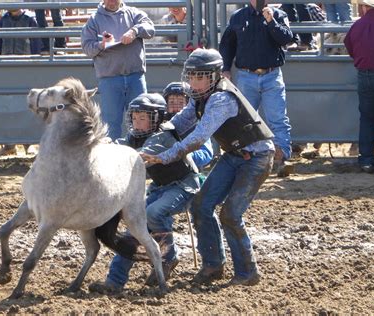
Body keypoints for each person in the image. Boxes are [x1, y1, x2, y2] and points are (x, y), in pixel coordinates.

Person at [141, 49, 274, 286]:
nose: (194, 82)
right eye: (191, 77)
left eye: (200, 77)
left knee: (230, 215)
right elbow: (181, 121)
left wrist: (165, 156)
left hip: (257, 157)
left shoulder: (222, 99)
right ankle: (213, 264)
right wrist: (158, 135)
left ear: (214, 76)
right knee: (201, 205)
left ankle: (247, 272)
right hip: (235, 155)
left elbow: (198, 137)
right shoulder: (200, 97)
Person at [89, 93, 213, 293]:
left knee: (155, 212)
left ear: (157, 119)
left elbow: (137, 156)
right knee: (132, 231)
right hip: (159, 187)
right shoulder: (134, 137)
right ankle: (115, 281)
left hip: (183, 185)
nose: (137, 123)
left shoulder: (161, 136)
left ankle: (168, 256)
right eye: (135, 118)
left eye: (143, 118)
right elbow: (121, 145)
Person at [219, 0, 293, 174]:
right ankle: (250, 157)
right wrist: (225, 68)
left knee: (277, 118)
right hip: (247, 74)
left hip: (271, 74)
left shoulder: (278, 15)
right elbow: (228, 44)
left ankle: (281, 158)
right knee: (246, 120)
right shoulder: (238, 17)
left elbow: (287, 39)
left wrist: (271, 22)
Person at [81, 0, 155, 140]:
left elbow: (150, 28)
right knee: (110, 125)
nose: (112, 1)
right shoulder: (94, 19)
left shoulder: (133, 13)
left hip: (135, 77)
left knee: (143, 122)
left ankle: (142, 157)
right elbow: (87, 47)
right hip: (110, 80)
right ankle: (112, 158)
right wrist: (102, 44)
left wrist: (135, 31)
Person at [0, 9, 41, 156]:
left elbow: (36, 44)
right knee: (7, 105)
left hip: (26, 66)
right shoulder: (3, 20)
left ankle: (29, 143)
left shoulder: (30, 19)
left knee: (27, 105)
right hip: (7, 66)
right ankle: (9, 144)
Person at [344, 0, 374, 174]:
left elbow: (349, 46)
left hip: (364, 74)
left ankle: (366, 161)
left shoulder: (357, 25)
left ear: (365, 7)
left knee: (367, 118)